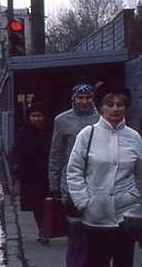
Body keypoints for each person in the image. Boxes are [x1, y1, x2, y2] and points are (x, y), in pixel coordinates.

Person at [65, 81, 142, 267]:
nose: (115, 109)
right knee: (96, 261)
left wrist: (139, 202)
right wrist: (85, 201)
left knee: (124, 262)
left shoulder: (133, 137)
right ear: (100, 107)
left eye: (120, 104)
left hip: (125, 215)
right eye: (110, 104)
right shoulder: (88, 134)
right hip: (96, 216)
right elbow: (74, 171)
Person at [49, 78, 100, 267]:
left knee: (96, 233)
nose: (84, 101)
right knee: (76, 231)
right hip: (70, 183)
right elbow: (56, 154)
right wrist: (54, 185)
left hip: (98, 182)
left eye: (88, 97)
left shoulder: (102, 118)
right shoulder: (62, 120)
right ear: (73, 99)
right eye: (80, 97)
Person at [11, 102, 53, 245]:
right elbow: (16, 150)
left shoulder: (52, 130)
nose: (36, 119)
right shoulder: (23, 132)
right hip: (30, 174)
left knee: (47, 203)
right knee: (36, 205)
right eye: (33, 116)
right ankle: (41, 229)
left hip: (48, 172)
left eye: (39, 116)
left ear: (44, 116)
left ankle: (47, 228)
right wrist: (16, 165)